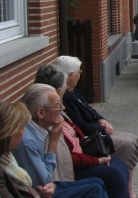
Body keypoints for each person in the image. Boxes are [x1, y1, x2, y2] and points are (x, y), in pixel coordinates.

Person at [52, 57, 138, 198]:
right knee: (127, 145)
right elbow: (80, 126)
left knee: (132, 139)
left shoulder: (73, 90)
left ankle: (129, 190)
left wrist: (102, 119)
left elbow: (88, 108)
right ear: (71, 75)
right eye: (79, 71)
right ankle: (130, 192)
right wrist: (100, 129)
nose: (80, 73)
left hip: (93, 134)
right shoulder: (66, 99)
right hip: (91, 138)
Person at [34, 65, 129, 198]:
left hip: (83, 154)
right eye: (64, 88)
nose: (63, 106)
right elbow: (65, 158)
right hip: (71, 169)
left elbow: (78, 129)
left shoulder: (58, 111)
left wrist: (100, 121)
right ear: (58, 91)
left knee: (119, 165)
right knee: (113, 176)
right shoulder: (49, 122)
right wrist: (96, 160)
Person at [10, 85, 109, 198]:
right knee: (94, 190)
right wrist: (53, 142)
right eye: (58, 105)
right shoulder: (27, 142)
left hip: (48, 188)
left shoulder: (38, 129)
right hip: (38, 194)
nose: (63, 108)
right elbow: (44, 182)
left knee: (97, 182)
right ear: (41, 113)